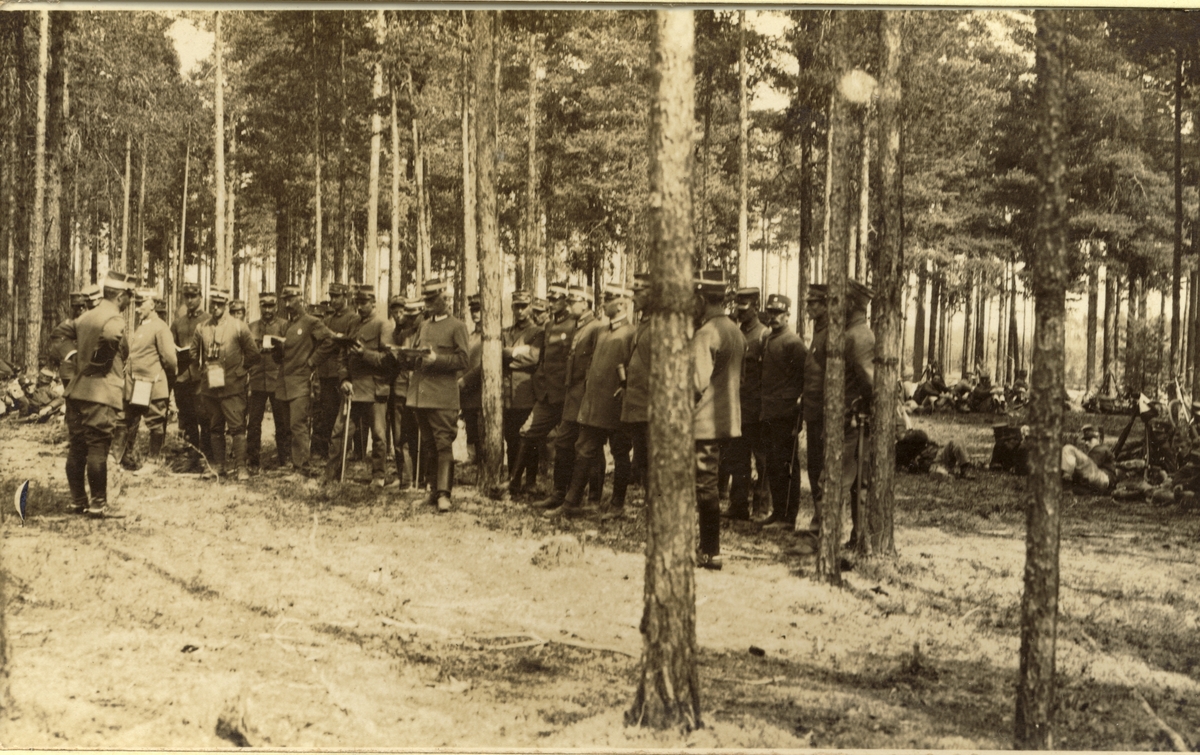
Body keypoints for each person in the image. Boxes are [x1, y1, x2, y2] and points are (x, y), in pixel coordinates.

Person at [545, 284, 635, 519]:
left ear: (622, 304)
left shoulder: (630, 333)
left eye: (609, 299)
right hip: (594, 403)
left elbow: (632, 370)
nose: (603, 303)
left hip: (617, 405)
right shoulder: (602, 331)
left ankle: (617, 505)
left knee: (620, 453)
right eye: (604, 298)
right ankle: (570, 504)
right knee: (584, 449)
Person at [803, 281, 876, 547]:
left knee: (834, 479)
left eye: (840, 301)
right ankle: (857, 538)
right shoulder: (851, 334)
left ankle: (822, 538)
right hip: (847, 419)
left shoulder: (858, 336)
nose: (835, 306)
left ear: (851, 304)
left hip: (851, 421)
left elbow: (869, 383)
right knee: (853, 482)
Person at [61, 270, 133, 517]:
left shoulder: (84, 317)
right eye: (129, 297)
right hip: (100, 394)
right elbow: (113, 336)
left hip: (77, 392)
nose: (130, 302)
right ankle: (98, 503)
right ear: (121, 296)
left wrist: (75, 362)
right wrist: (99, 364)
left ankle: (77, 500)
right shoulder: (113, 318)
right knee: (97, 448)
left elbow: (60, 335)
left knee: (77, 448)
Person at [536, 285, 605, 512]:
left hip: (585, 395)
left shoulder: (596, 327)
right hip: (572, 395)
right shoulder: (580, 326)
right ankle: (559, 493)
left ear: (585, 303)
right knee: (564, 443)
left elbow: (595, 364)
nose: (570, 304)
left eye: (574, 301)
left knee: (589, 447)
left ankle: (592, 497)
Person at [692, 270, 743, 570]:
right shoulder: (734, 330)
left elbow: (695, 382)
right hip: (727, 420)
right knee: (709, 483)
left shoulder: (706, 333)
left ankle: (710, 551)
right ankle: (707, 548)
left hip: (703, 422)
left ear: (701, 300)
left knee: (705, 486)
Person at [407, 279, 469, 511]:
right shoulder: (424, 326)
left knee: (443, 445)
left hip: (443, 397)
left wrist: (438, 360)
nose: (428, 305)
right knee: (429, 445)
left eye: (432, 301)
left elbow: (464, 360)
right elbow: (416, 353)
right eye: (426, 301)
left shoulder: (457, 326)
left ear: (445, 300)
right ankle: (432, 492)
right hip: (422, 396)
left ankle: (444, 494)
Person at [325, 284, 394, 486]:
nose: (360, 307)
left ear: (374, 302)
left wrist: (365, 354)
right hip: (353, 390)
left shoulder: (383, 325)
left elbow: (389, 360)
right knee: (339, 432)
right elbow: (342, 356)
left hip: (374, 389)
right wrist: (344, 379)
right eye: (357, 303)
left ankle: (379, 476)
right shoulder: (353, 323)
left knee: (379, 435)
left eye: (364, 303)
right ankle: (332, 475)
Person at [510, 282, 574, 497]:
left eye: (558, 299)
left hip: (567, 395)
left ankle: (568, 492)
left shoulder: (574, 325)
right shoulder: (548, 327)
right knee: (526, 432)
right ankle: (514, 482)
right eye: (551, 299)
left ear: (566, 301)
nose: (553, 303)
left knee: (568, 444)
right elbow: (543, 360)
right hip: (547, 395)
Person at [192, 286, 261, 481]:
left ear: (225, 304)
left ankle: (241, 467)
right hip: (211, 389)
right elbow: (193, 354)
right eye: (212, 303)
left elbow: (254, 355)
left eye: (219, 304)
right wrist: (203, 372)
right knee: (215, 428)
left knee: (237, 428)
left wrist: (240, 371)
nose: (215, 307)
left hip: (232, 387)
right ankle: (219, 466)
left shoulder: (238, 326)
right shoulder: (201, 328)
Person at [274, 283, 335, 475]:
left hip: (300, 381)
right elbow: (281, 357)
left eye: (291, 299)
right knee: (287, 426)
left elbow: (329, 340)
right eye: (285, 300)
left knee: (298, 425)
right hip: (284, 381)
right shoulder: (286, 325)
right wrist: (275, 349)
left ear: (300, 299)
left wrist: (312, 362)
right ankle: (295, 464)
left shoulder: (310, 322)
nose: (288, 304)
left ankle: (303, 468)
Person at [758, 294, 807, 527]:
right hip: (769, 412)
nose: (773, 317)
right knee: (774, 464)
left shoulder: (793, 343)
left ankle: (789, 516)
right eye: (771, 312)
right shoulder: (769, 339)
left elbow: (803, 381)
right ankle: (778, 512)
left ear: (788, 315)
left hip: (786, 414)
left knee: (787, 464)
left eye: (779, 313)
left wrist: (798, 414)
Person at [115, 288, 177, 472]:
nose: (137, 308)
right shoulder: (142, 326)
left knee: (155, 421)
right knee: (127, 419)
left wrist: (164, 380)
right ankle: (120, 458)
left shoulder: (160, 327)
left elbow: (170, 359)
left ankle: (152, 461)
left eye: (141, 304)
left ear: (152, 305)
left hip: (151, 383)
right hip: (136, 384)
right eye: (137, 303)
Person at [723, 287, 766, 521]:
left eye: (744, 308)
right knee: (737, 458)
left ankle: (760, 507)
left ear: (756, 308)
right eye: (737, 307)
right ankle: (738, 505)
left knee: (761, 460)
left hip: (756, 409)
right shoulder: (737, 334)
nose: (740, 312)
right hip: (737, 407)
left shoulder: (763, 336)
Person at [247, 292, 291, 471]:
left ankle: (285, 459)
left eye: (271, 306)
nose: (267, 310)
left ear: (276, 307)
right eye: (264, 306)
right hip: (257, 380)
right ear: (260, 307)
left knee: (282, 422)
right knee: (254, 423)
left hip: (277, 380)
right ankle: (253, 460)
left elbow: (290, 350)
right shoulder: (251, 327)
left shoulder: (284, 326)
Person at [502, 289, 542, 481]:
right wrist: (518, 352)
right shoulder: (506, 332)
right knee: (511, 438)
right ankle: (513, 479)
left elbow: (534, 359)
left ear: (530, 307)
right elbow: (496, 356)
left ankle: (531, 480)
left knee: (529, 438)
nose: (519, 311)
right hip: (506, 394)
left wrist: (509, 355)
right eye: (516, 306)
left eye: (523, 306)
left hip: (525, 392)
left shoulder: (537, 332)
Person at [313, 282, 356, 461]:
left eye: (337, 296)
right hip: (327, 373)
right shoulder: (328, 320)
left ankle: (345, 451)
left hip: (343, 374)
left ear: (345, 297)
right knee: (328, 413)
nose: (333, 300)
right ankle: (329, 452)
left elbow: (350, 343)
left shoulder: (352, 318)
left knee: (346, 415)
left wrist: (336, 340)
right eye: (331, 297)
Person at [171, 281, 211, 469]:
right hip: (182, 378)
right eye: (186, 297)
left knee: (204, 416)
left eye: (193, 296)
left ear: (200, 298)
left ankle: (207, 456)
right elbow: (170, 345)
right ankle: (192, 455)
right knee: (188, 418)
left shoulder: (208, 320)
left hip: (201, 377)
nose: (190, 300)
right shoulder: (178, 322)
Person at [619, 274, 652, 496]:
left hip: (653, 408)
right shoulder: (644, 323)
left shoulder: (661, 325)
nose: (633, 299)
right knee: (644, 462)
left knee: (653, 462)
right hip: (639, 405)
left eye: (638, 294)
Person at [388, 295, 424, 487]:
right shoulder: (403, 335)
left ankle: (422, 478)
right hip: (402, 387)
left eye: (413, 316)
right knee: (401, 435)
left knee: (421, 435)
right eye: (407, 316)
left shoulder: (428, 332)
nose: (409, 320)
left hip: (421, 388)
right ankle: (406, 478)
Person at [458, 294, 483, 467]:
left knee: (482, 427)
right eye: (473, 310)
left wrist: (466, 380)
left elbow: (485, 365)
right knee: (470, 424)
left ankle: (482, 457)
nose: (475, 313)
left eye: (479, 309)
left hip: (481, 388)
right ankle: (472, 455)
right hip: (467, 390)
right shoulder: (471, 336)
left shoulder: (492, 336)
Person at [47, 290, 90, 389]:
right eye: (77, 307)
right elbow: (56, 336)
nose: (81, 309)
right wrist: (72, 354)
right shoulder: (68, 324)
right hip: (70, 370)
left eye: (83, 306)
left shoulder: (86, 322)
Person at [895, 428, 973, 478]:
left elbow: (923, 436)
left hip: (939, 454)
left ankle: (965, 470)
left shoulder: (912, 433)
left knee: (956, 441)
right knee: (938, 472)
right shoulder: (897, 448)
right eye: (896, 430)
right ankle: (948, 473)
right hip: (929, 464)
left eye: (898, 429)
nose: (897, 432)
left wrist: (905, 437)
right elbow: (903, 463)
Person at [1062, 424, 1118, 493]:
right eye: (1085, 440)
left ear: (1099, 440)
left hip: (1104, 478)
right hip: (1102, 481)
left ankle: (1066, 482)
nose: (1086, 443)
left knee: (1069, 448)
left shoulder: (1100, 449)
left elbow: (1088, 468)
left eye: (1089, 439)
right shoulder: (1097, 451)